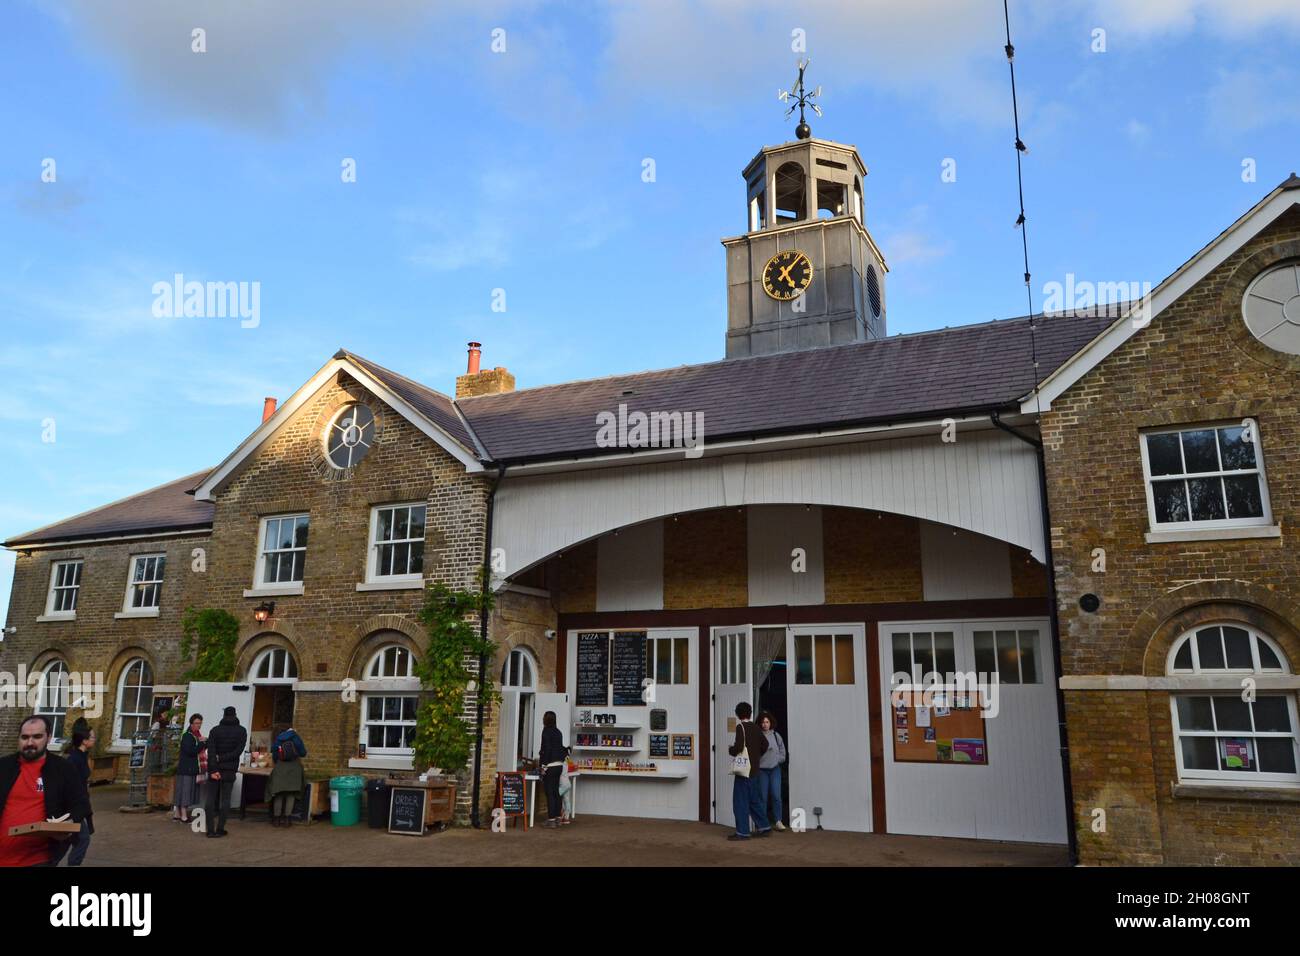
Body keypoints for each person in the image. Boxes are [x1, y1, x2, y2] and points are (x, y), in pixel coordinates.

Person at [0, 716, 91, 867]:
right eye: (24, 737)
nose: (30, 743)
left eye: (37, 737)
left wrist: (66, 825)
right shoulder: (3, 766)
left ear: (48, 737)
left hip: (37, 860)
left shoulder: (63, 768)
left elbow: (81, 805)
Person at [50, 727, 95, 866]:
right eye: (92, 737)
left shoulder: (82, 756)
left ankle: (49, 863)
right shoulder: (73, 759)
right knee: (82, 839)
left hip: (79, 805)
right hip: (71, 807)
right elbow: (66, 785)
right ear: (84, 741)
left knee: (68, 839)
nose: (95, 739)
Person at [726, 701, 769, 841]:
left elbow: (738, 747)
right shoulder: (756, 728)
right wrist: (756, 755)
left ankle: (743, 832)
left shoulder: (740, 727)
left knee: (740, 801)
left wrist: (730, 750)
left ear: (738, 714)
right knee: (754, 800)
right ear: (750, 713)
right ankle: (764, 827)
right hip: (755, 769)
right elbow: (765, 744)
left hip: (744, 770)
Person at [204, 706, 247, 838]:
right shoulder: (241, 731)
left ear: (224, 715)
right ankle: (220, 828)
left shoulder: (215, 730)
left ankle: (210, 830)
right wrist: (223, 759)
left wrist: (214, 768)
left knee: (210, 799)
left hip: (215, 768)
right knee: (226, 799)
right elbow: (237, 752)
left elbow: (210, 752)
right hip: (229, 769)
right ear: (235, 715)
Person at [267, 725, 307, 827]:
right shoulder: (295, 737)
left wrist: (279, 762)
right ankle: (287, 820)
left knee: (278, 794)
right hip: (294, 768)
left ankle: (276, 820)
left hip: (280, 767)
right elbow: (303, 753)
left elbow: (274, 753)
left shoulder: (279, 738)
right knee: (291, 794)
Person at [756, 711, 788, 832]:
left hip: (775, 770)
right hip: (762, 771)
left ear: (771, 723)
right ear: (760, 724)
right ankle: (763, 823)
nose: (765, 724)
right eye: (763, 722)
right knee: (763, 797)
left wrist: (777, 760)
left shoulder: (776, 735)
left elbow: (783, 752)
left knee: (776, 795)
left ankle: (778, 821)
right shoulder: (757, 736)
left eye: (767, 722)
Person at [538, 711, 569, 829]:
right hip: (559, 765)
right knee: (556, 793)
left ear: (546, 720)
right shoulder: (558, 732)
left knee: (549, 792)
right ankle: (558, 818)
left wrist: (543, 766)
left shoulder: (546, 732)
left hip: (550, 766)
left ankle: (551, 820)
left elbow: (546, 749)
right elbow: (559, 748)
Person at [174, 714, 206, 824]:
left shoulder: (195, 735)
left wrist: (203, 743)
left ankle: (177, 814)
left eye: (200, 723)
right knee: (185, 792)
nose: (199, 725)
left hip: (187, 768)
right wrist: (202, 743)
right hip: (187, 768)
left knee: (181, 792)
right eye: (197, 723)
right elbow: (191, 751)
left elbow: (197, 749)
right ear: (191, 724)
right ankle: (183, 816)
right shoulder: (188, 736)